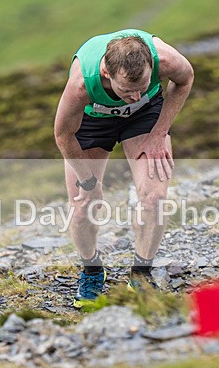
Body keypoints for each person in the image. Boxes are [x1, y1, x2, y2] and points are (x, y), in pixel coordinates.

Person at [54, 28, 194, 305]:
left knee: (154, 197)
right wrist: (90, 183)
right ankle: (92, 270)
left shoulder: (164, 60)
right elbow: (62, 135)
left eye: (141, 87)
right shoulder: (83, 84)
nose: (134, 95)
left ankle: (141, 274)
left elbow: (186, 79)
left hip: (144, 117)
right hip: (92, 120)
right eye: (128, 91)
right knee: (83, 207)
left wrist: (158, 133)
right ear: (107, 73)